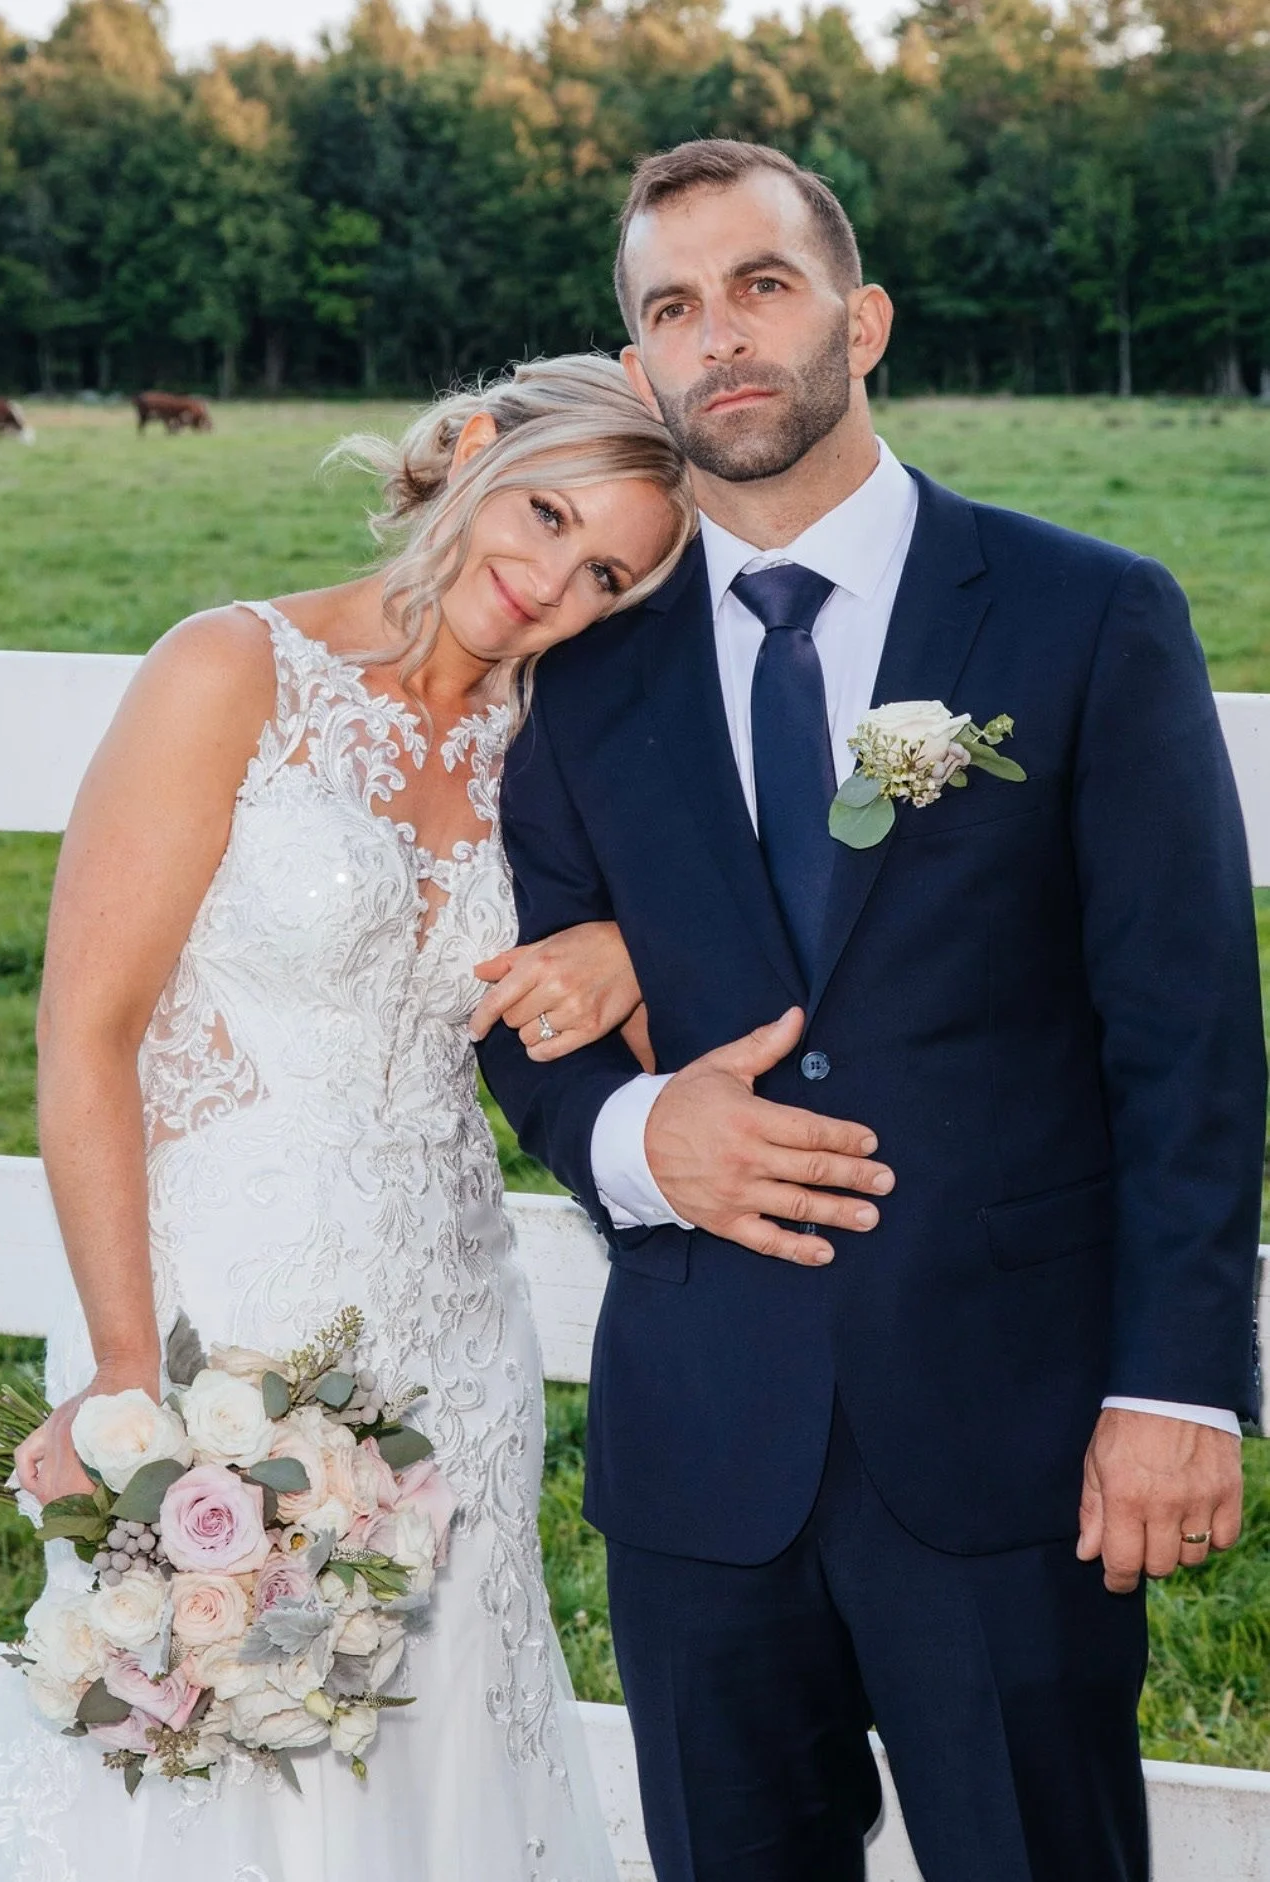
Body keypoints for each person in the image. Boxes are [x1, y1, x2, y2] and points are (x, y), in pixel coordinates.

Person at [474, 141, 1266, 1882]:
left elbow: (1187, 1030)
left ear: (862, 316)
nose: (722, 337)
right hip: (702, 1453)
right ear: (637, 369)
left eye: (762, 284)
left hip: (1011, 1434)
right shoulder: (577, 676)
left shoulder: (1081, 612)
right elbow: (511, 1001)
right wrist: (633, 1132)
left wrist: (1178, 1389)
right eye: (672, 308)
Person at [0, 355, 694, 1882]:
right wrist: (125, 1373)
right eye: (548, 512)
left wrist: (630, 945)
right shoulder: (231, 668)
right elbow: (85, 1032)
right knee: (205, 1766)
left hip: (453, 1343)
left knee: (444, 1763)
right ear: (477, 448)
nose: (549, 579)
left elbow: (646, 1018)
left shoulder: (554, 750)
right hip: (211, 1317)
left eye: (603, 573)